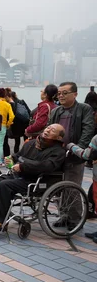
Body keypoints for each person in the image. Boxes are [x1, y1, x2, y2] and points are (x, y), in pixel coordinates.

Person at [0, 124, 66, 228]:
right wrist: (11, 159)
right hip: (21, 176)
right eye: (48, 128)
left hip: (37, 181)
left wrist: (23, 166)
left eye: (53, 130)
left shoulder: (58, 151)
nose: (48, 130)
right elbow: (18, 156)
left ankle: (0, 220)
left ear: (58, 137)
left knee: (5, 185)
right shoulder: (32, 143)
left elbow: (46, 166)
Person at [49, 82, 95, 229]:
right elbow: (49, 129)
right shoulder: (56, 111)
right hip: (58, 155)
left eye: (65, 93)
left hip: (75, 155)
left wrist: (78, 150)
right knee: (58, 188)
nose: (61, 96)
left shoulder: (84, 109)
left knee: (72, 187)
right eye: (59, 93)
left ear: (75, 94)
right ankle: (64, 216)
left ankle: (75, 220)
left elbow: (88, 130)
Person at [0, 88, 15, 165]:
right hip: (3, 125)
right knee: (0, 143)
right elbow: (12, 116)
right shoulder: (7, 104)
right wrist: (8, 124)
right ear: (5, 95)